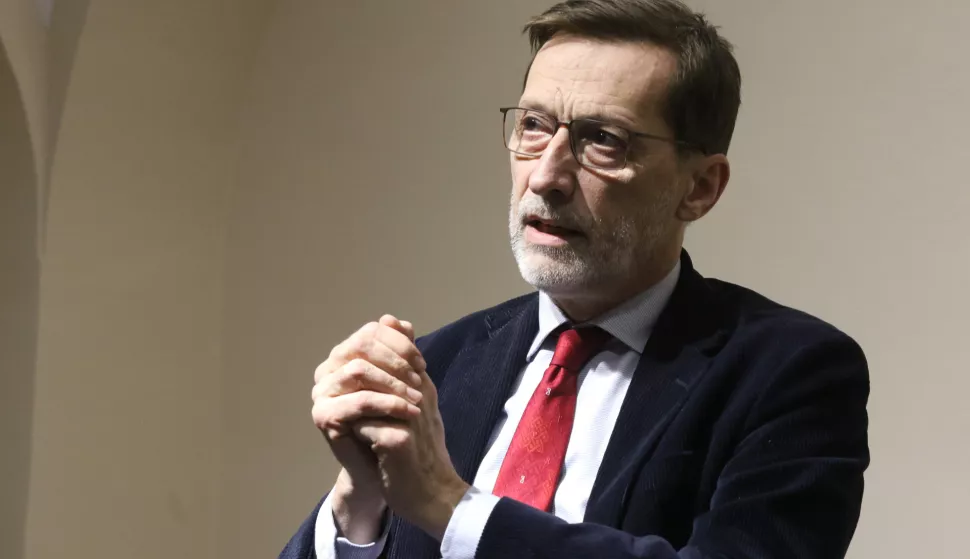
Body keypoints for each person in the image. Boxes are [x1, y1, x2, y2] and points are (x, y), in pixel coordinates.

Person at [280, 0, 870, 557]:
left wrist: (447, 505)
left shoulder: (789, 373)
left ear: (699, 187)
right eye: (534, 125)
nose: (546, 177)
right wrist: (360, 501)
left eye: (603, 140)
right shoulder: (440, 364)